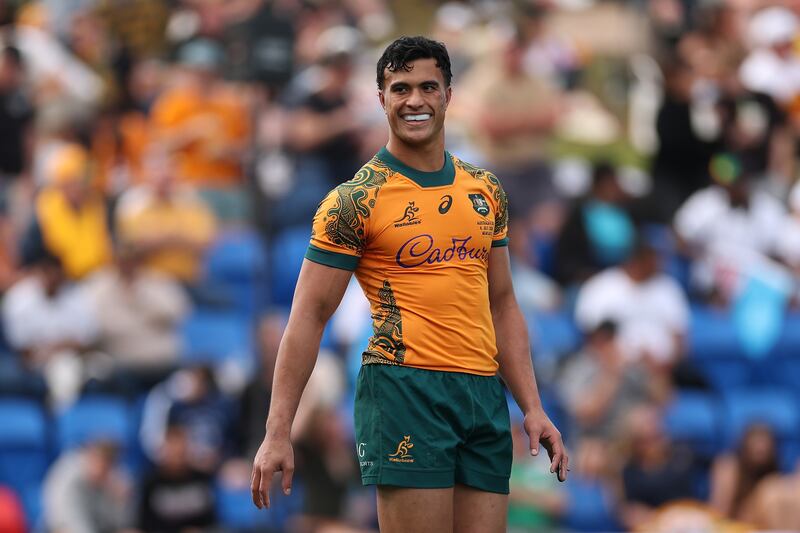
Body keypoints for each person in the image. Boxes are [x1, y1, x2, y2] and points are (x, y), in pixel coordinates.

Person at [251, 36, 567, 533]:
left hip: (483, 393)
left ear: (448, 95)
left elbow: (503, 304)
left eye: (427, 87)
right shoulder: (354, 200)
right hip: (405, 389)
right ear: (381, 99)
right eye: (400, 88)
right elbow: (308, 318)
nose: (414, 100)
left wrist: (532, 406)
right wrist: (277, 431)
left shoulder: (485, 190)